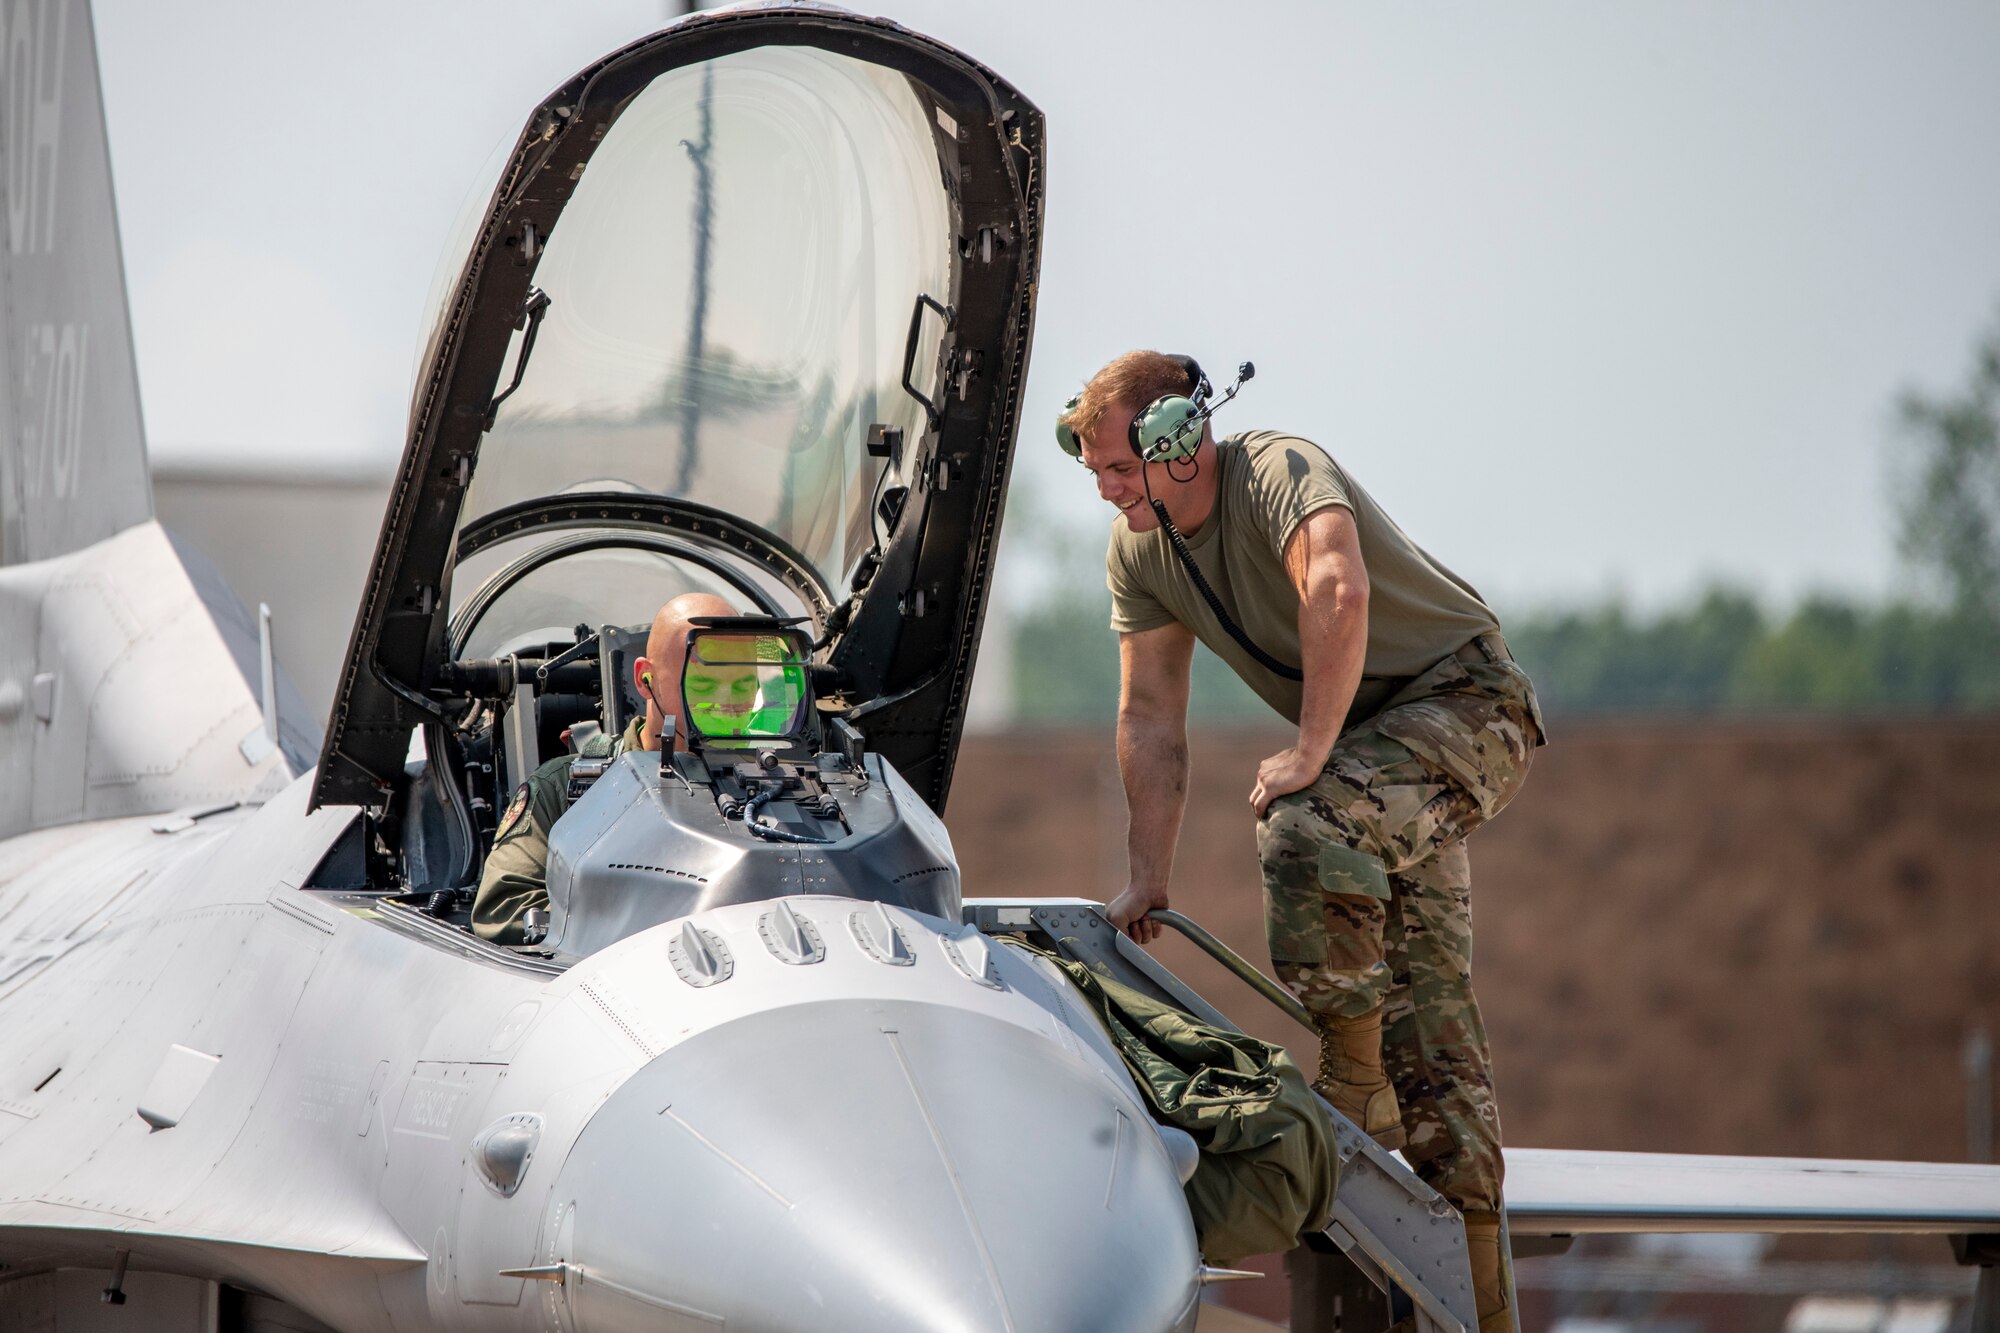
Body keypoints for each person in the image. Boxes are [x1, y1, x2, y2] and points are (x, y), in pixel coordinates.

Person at [1061, 350, 1542, 1333]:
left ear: (1177, 443)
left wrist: (1308, 749)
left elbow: (1337, 586)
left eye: (1117, 467)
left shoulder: (1279, 469)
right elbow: (1149, 715)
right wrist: (1145, 876)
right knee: (1438, 1050)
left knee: (1303, 820)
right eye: (1094, 474)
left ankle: (1354, 1088)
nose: (1105, 491)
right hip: (1378, 760)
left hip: (1466, 706)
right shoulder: (1140, 552)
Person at [471, 591, 736, 943]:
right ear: (646, 679)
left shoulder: (787, 786)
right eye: (704, 683)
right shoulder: (565, 789)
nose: (728, 701)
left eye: (744, 684)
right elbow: (503, 912)